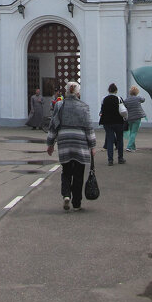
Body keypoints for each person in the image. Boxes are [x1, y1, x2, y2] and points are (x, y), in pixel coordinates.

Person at [46, 81, 96, 211]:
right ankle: (77, 203)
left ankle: (66, 195)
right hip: (80, 142)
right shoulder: (84, 107)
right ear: (78, 92)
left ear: (66, 91)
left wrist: (50, 143)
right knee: (79, 173)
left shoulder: (59, 105)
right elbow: (88, 127)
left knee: (66, 171)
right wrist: (93, 146)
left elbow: (53, 124)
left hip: (64, 141)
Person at [99, 83, 126, 165]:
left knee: (110, 141)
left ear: (108, 90)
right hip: (118, 121)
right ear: (116, 90)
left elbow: (102, 110)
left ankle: (110, 160)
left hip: (107, 122)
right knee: (120, 139)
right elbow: (123, 110)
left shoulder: (104, 99)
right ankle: (120, 158)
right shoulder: (119, 99)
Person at [124, 85, 146, 152]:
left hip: (130, 118)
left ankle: (133, 147)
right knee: (134, 132)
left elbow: (125, 107)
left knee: (131, 132)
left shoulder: (126, 100)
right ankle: (129, 147)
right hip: (137, 117)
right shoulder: (138, 98)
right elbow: (143, 99)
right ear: (136, 92)